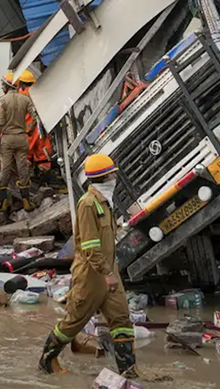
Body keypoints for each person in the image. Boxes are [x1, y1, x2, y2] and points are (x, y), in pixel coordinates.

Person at [38, 154, 135, 376]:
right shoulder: (88, 204)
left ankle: (128, 370)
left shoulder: (105, 202)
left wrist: (112, 271)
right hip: (92, 276)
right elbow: (90, 246)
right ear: (105, 176)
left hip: (110, 272)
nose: (115, 176)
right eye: (112, 173)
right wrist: (107, 273)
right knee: (73, 322)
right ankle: (47, 360)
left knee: (121, 319)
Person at [0, 73, 35, 213]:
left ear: (7, 86)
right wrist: (29, 130)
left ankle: (1, 203)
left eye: (2, 84)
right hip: (22, 137)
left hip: (7, 139)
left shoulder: (2, 101)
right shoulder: (25, 99)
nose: (1, 87)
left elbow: (0, 124)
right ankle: (26, 201)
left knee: (5, 169)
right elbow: (35, 118)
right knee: (23, 168)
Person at [18, 70, 54, 181]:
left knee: (25, 154)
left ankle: (28, 177)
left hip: (25, 131)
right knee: (42, 153)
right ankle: (45, 177)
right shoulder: (36, 94)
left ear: (21, 83)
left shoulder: (19, 95)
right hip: (39, 129)